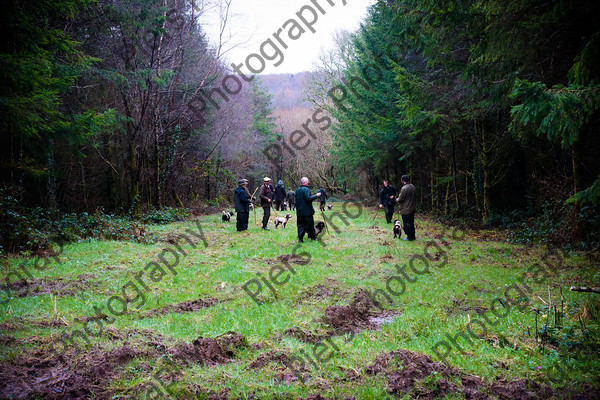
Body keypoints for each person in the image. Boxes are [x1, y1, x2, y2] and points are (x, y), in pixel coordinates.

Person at [296, 177, 321, 242]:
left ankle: (300, 239)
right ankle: (312, 237)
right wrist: (316, 195)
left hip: (299, 211)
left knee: (300, 225)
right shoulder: (306, 189)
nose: (308, 183)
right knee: (310, 225)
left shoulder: (297, 190)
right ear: (304, 182)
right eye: (307, 182)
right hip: (307, 212)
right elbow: (308, 198)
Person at [396, 175, 416, 240]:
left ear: (403, 180)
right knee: (411, 223)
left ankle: (409, 237)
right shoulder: (413, 187)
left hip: (405, 209)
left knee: (407, 223)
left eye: (401, 180)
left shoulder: (404, 188)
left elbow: (400, 198)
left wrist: (396, 200)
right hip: (412, 208)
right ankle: (413, 236)